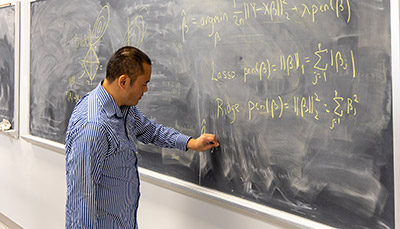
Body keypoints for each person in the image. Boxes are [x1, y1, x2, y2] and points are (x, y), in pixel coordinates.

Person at [65, 46, 219, 228]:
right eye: (143, 83)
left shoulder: (123, 108)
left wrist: (191, 143)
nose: (145, 90)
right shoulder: (94, 127)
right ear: (123, 82)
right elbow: (81, 197)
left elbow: (151, 130)